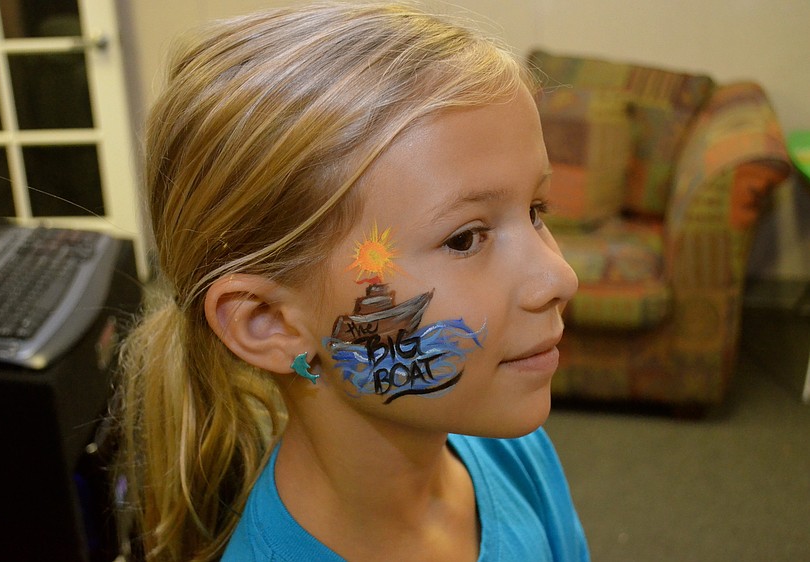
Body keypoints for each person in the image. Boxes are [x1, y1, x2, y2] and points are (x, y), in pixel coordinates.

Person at [116, 2, 588, 560]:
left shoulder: (512, 452)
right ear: (268, 323)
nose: (560, 276)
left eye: (537, 209)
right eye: (465, 238)